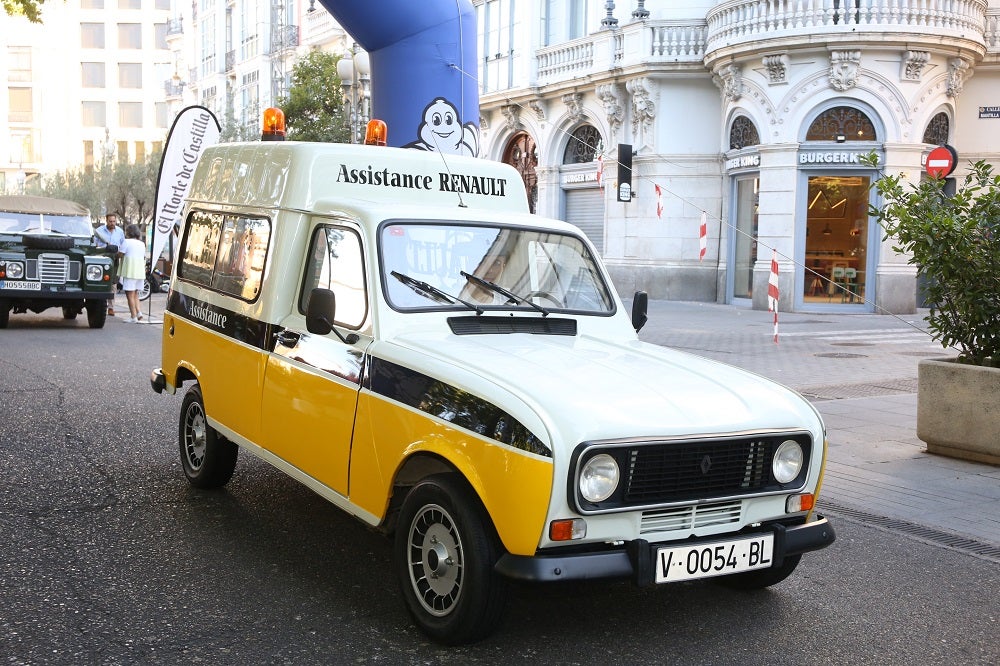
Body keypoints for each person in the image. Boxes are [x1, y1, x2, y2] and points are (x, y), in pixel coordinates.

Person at [94, 213, 125, 316]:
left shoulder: (120, 232)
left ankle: (111, 307)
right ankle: (97, 305)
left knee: (113, 283)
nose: (112, 223)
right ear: (106, 221)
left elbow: (122, 245)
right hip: (101, 259)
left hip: (114, 260)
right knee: (99, 281)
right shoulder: (99, 231)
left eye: (114, 221)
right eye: (110, 221)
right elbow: (94, 244)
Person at [119, 224, 147, 323]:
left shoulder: (126, 242)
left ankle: (133, 316)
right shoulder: (142, 243)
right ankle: (139, 313)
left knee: (129, 294)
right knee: (135, 293)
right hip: (139, 271)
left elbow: (120, 254)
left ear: (128, 232)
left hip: (130, 270)